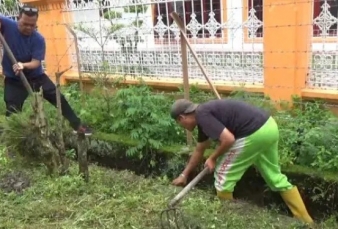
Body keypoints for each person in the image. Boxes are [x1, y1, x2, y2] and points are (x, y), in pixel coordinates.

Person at [170, 98, 314, 225]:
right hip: (269, 126)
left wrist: (212, 158)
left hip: (252, 134)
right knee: (274, 176)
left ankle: (230, 219)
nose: (182, 127)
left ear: (182, 118)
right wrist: (184, 175)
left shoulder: (203, 116)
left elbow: (228, 139)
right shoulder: (205, 114)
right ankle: (305, 220)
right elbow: (199, 149)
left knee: (222, 177)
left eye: (179, 123)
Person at [0, 5, 91, 136]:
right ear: (18, 18)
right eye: (25, 24)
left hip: (36, 77)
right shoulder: (8, 25)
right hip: (14, 79)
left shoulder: (38, 39)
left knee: (58, 97)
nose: (29, 28)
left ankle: (77, 125)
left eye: (32, 25)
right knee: (12, 109)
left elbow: (36, 62)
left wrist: (23, 65)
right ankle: (11, 138)